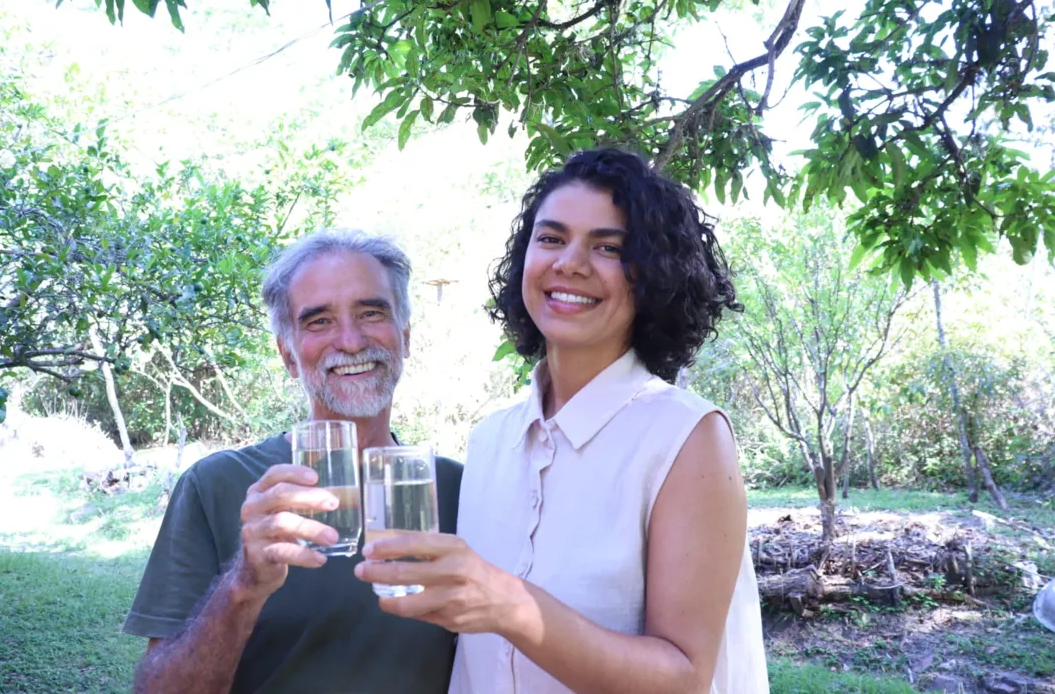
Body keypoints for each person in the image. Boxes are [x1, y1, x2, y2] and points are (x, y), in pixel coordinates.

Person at [355, 148, 769, 693]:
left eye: (608, 247)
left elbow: (684, 678)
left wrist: (511, 606)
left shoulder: (686, 438)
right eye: (551, 239)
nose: (570, 263)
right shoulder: (490, 439)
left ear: (655, 276)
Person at [122, 229, 464, 694]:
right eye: (319, 321)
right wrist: (244, 582)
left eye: (371, 312)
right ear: (287, 355)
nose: (350, 340)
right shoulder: (217, 484)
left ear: (405, 335)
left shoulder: (464, 487)